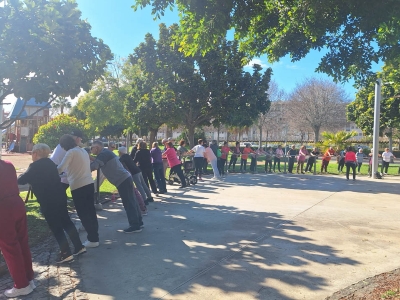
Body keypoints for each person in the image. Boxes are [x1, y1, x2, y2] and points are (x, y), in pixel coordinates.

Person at [18, 143, 85, 264]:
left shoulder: (34, 166)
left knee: (56, 226)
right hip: (60, 196)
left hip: (48, 200)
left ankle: (66, 253)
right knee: (66, 222)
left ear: (35, 153)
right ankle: (79, 246)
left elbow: (22, 180)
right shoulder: (51, 164)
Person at [91, 140, 143, 233]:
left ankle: (135, 225)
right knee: (132, 200)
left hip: (122, 180)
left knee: (129, 202)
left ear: (97, 148)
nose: (91, 150)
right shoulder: (105, 153)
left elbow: (94, 166)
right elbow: (98, 162)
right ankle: (138, 222)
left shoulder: (103, 154)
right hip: (125, 178)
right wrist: (90, 157)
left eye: (92, 148)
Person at [57, 134, 100, 247]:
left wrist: (49, 171)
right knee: (91, 211)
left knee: (83, 213)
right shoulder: (82, 151)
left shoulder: (70, 152)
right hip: (89, 183)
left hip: (78, 186)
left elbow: (60, 168)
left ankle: (92, 239)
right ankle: (95, 236)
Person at [0, 160, 35, 298]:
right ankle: (28, 278)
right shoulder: (8, 164)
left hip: (3, 207)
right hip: (16, 203)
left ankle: (22, 284)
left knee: (10, 247)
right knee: (22, 242)